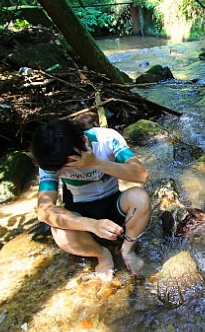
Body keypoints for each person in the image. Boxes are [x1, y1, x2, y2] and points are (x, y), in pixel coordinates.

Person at [31, 118, 151, 282]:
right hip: (81, 212)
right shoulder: (53, 159)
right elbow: (44, 211)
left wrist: (95, 162)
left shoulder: (106, 139)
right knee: (58, 230)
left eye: (69, 163)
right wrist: (91, 224)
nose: (64, 168)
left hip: (114, 203)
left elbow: (142, 175)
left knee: (140, 197)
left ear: (82, 141)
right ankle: (102, 254)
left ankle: (127, 250)